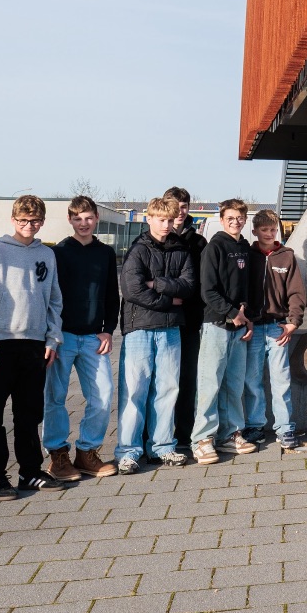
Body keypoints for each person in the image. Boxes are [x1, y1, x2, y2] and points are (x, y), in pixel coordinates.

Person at [0, 194, 66, 500]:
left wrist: (52, 338)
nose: (29, 225)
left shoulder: (47, 255)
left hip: (35, 346)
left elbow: (54, 300)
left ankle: (30, 471)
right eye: (23, 220)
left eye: (35, 221)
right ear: (13, 220)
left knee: (29, 414)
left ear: (42, 222)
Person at [116, 196, 194, 474]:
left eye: (170, 220)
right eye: (161, 220)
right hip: (140, 329)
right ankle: (128, 451)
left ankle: (162, 446)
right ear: (149, 219)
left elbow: (188, 286)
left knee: (167, 389)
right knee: (134, 391)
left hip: (170, 330)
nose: (166, 225)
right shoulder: (138, 250)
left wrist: (156, 283)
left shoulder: (181, 250)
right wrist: (169, 300)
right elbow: (132, 290)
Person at [43, 195, 118, 483]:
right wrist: (51, 335)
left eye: (88, 218)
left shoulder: (105, 253)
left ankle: (87, 452)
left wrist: (108, 329)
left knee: (102, 395)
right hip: (62, 337)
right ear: (70, 220)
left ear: (96, 218)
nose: (83, 223)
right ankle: (58, 456)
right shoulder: (58, 252)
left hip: (93, 338)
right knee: (55, 398)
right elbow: (50, 296)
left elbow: (111, 294)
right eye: (77, 218)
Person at [190, 200, 259, 464]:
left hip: (239, 326)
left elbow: (248, 288)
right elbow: (207, 290)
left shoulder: (245, 248)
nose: (235, 222)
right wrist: (232, 312)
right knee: (210, 384)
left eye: (240, 217)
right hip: (217, 324)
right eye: (230, 217)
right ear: (221, 219)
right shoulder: (214, 247)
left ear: (245, 219)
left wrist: (247, 316)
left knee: (234, 384)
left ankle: (230, 434)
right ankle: (202, 439)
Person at [249, 209, 307, 452]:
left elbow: (296, 292)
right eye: (264, 230)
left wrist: (294, 321)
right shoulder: (248, 255)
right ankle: (254, 425)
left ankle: (285, 428)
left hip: (277, 327)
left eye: (273, 230)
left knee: (281, 379)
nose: (269, 234)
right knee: (252, 380)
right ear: (255, 231)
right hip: (252, 327)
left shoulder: (286, 256)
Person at [163, 186, 208, 453]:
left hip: (190, 320)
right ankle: (156, 435)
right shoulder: (157, 238)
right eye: (175, 206)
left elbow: (202, 283)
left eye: (184, 207)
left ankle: (183, 434)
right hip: (162, 319)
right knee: (163, 381)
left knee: (188, 378)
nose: (180, 212)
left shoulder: (198, 243)